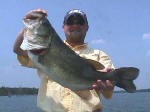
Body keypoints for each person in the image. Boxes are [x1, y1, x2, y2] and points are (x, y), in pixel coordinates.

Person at [14, 9, 115, 112]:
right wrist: (30, 23)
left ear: (87, 28)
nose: (75, 25)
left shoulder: (100, 55)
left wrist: (109, 86)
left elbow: (108, 93)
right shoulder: (41, 51)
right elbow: (18, 50)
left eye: (80, 22)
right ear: (63, 27)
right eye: (70, 22)